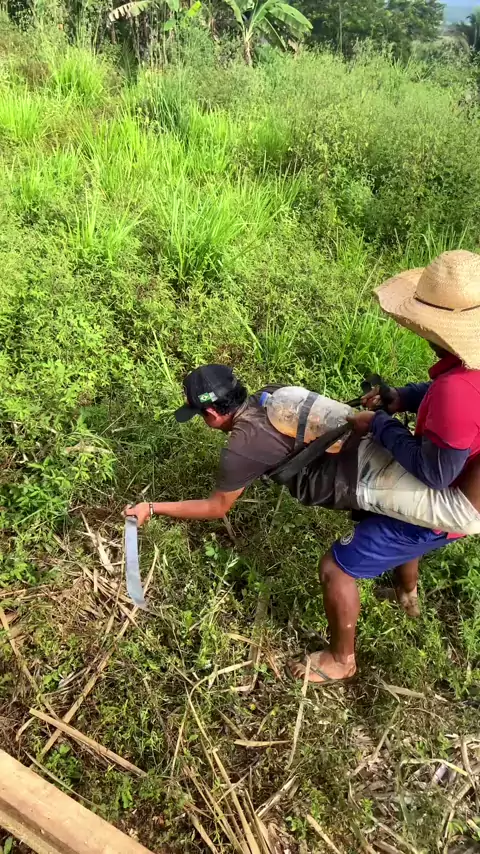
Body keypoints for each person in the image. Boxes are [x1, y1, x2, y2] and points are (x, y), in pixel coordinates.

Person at [125, 250, 480, 685]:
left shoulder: (242, 445)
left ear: (212, 415)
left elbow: (218, 507)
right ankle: (407, 595)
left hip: (449, 504)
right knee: (391, 518)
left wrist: (152, 508)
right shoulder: (277, 393)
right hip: (432, 475)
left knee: (337, 567)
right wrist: (402, 398)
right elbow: (443, 397)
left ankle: (341, 660)